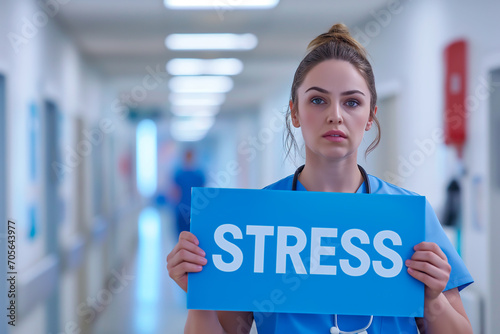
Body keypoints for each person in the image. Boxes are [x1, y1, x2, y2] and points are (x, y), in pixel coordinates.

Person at [166, 23, 474, 334]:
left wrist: (433, 301)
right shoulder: (255, 219)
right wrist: (201, 295)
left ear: (370, 117)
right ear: (295, 113)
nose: (335, 115)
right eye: (318, 100)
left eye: (352, 102)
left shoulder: (410, 218)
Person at [172, 149, 206, 235]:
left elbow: (175, 193)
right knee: (193, 235)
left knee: (181, 236)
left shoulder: (179, 174)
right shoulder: (199, 175)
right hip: (195, 209)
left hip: (182, 209)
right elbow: (203, 194)